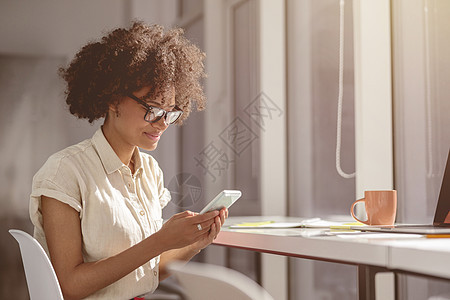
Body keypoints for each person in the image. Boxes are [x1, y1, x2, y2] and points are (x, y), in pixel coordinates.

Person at [29, 21, 228, 300]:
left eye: (170, 112)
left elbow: (146, 271)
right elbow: (68, 287)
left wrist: (195, 243)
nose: (162, 123)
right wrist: (160, 240)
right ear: (113, 100)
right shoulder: (65, 172)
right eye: (153, 109)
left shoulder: (150, 172)